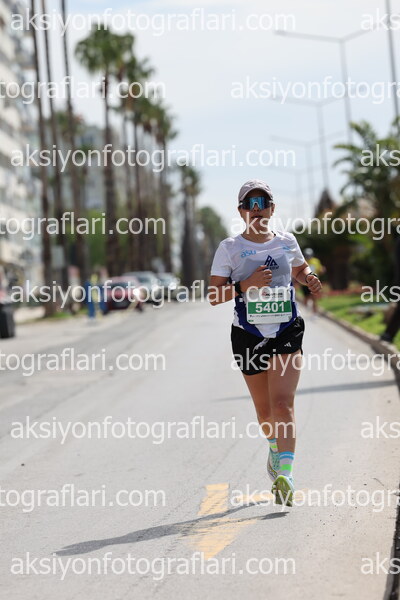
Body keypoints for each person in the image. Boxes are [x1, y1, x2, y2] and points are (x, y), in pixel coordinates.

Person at [208, 180, 322, 506]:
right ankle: (274, 449)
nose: (257, 210)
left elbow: (299, 269)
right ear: (241, 211)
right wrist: (244, 285)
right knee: (265, 411)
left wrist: (308, 277)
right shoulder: (229, 248)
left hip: (286, 329)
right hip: (248, 335)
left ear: (272, 209)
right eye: (250, 204)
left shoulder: (286, 241)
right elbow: (214, 295)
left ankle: (286, 474)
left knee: (283, 403)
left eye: (263, 203)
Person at [301, 248, 325, 315]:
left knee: (314, 298)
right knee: (306, 298)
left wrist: (322, 270)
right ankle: (305, 312)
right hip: (304, 284)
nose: (308, 257)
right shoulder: (302, 261)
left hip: (314, 282)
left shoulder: (316, 261)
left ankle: (314, 313)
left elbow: (320, 269)